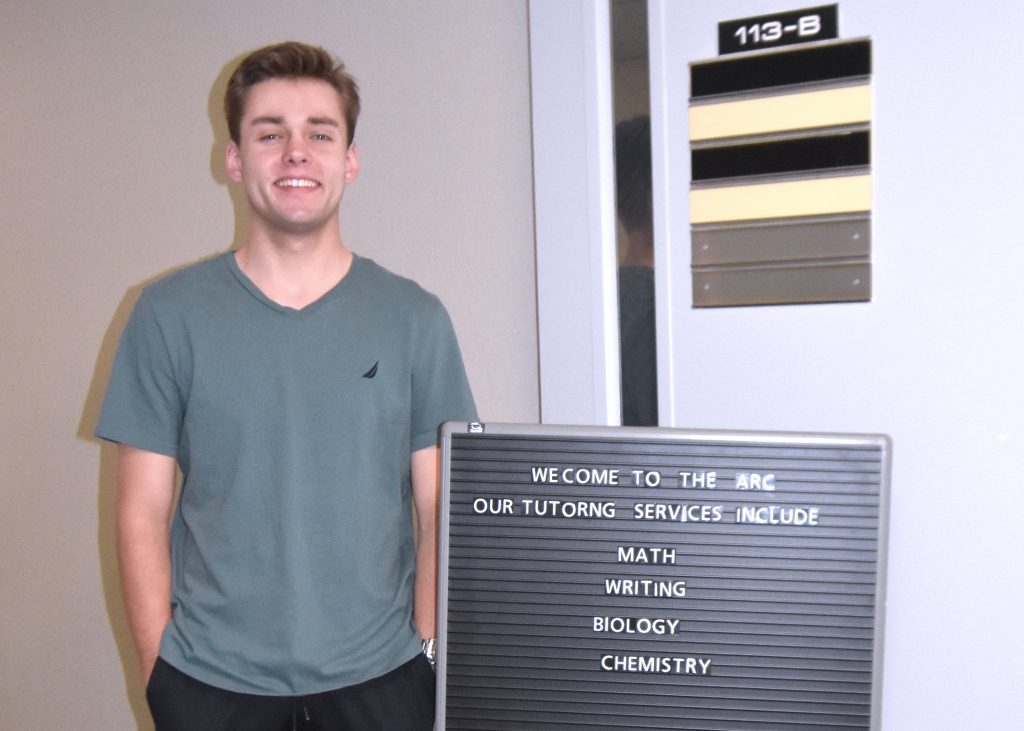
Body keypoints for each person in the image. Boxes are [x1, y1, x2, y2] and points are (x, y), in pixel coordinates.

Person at [96, 41, 476, 730]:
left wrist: (424, 655)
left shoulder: (415, 318)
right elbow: (140, 513)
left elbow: (438, 507)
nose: (295, 153)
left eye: (319, 134)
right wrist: (162, 676)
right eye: (270, 133)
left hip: (384, 683)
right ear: (234, 159)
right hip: (210, 687)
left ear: (349, 161)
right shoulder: (166, 314)